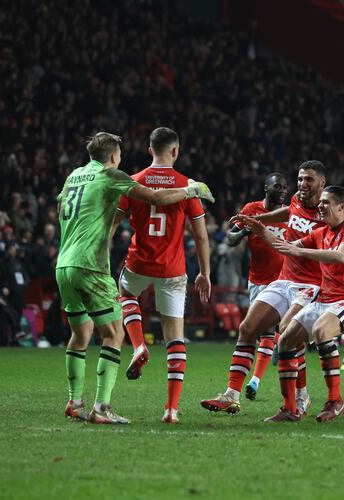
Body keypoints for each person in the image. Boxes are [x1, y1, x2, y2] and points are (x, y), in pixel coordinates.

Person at [59, 132, 213, 424]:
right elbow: (197, 232)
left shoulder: (77, 177)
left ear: (149, 149)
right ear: (176, 151)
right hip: (167, 268)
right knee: (152, 337)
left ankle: (78, 397)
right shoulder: (120, 177)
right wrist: (191, 191)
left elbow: (103, 220)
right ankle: (165, 409)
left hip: (80, 263)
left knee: (87, 328)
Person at [200, 161, 327, 416]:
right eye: (300, 179)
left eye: (309, 180)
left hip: (313, 284)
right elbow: (287, 213)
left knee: (289, 337)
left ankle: (300, 398)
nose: (302, 184)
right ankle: (231, 395)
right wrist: (256, 220)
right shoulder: (295, 201)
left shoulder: (328, 211)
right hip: (284, 279)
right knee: (248, 328)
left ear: (322, 184)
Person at [237, 186, 344, 422]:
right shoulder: (320, 233)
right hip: (324, 299)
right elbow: (285, 247)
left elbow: (340, 256)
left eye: (327, 202)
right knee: (285, 339)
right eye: (321, 203)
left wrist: (304, 252)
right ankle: (290, 408)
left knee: (320, 331)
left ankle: (335, 400)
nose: (321, 206)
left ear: (341, 206)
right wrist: (260, 229)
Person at [111, 128, 212, 424]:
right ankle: (171, 409)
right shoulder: (187, 186)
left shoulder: (134, 181)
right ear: (176, 152)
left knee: (126, 294)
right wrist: (204, 273)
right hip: (173, 268)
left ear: (149, 149)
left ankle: (139, 344)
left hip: (139, 262)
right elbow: (202, 237)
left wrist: (101, 255)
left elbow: (114, 223)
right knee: (175, 337)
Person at [224, 172, 289, 401]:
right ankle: (279, 342)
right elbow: (230, 240)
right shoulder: (251, 210)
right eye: (277, 187)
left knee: (267, 330)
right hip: (257, 281)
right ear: (266, 188)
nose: (282, 191)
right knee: (262, 332)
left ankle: (255, 380)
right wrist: (245, 230)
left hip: (283, 281)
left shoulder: (287, 215)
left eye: (284, 188)